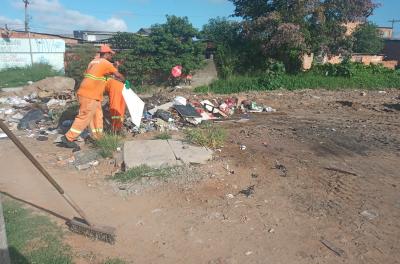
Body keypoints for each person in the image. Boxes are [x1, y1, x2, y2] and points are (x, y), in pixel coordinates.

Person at [61, 44, 124, 149]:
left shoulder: (93, 62)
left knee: (97, 115)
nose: (111, 56)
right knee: (84, 116)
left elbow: (96, 74)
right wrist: (125, 80)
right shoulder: (105, 62)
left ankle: (98, 137)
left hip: (91, 94)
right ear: (106, 54)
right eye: (110, 54)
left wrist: (114, 67)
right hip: (89, 94)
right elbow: (117, 75)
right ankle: (68, 138)